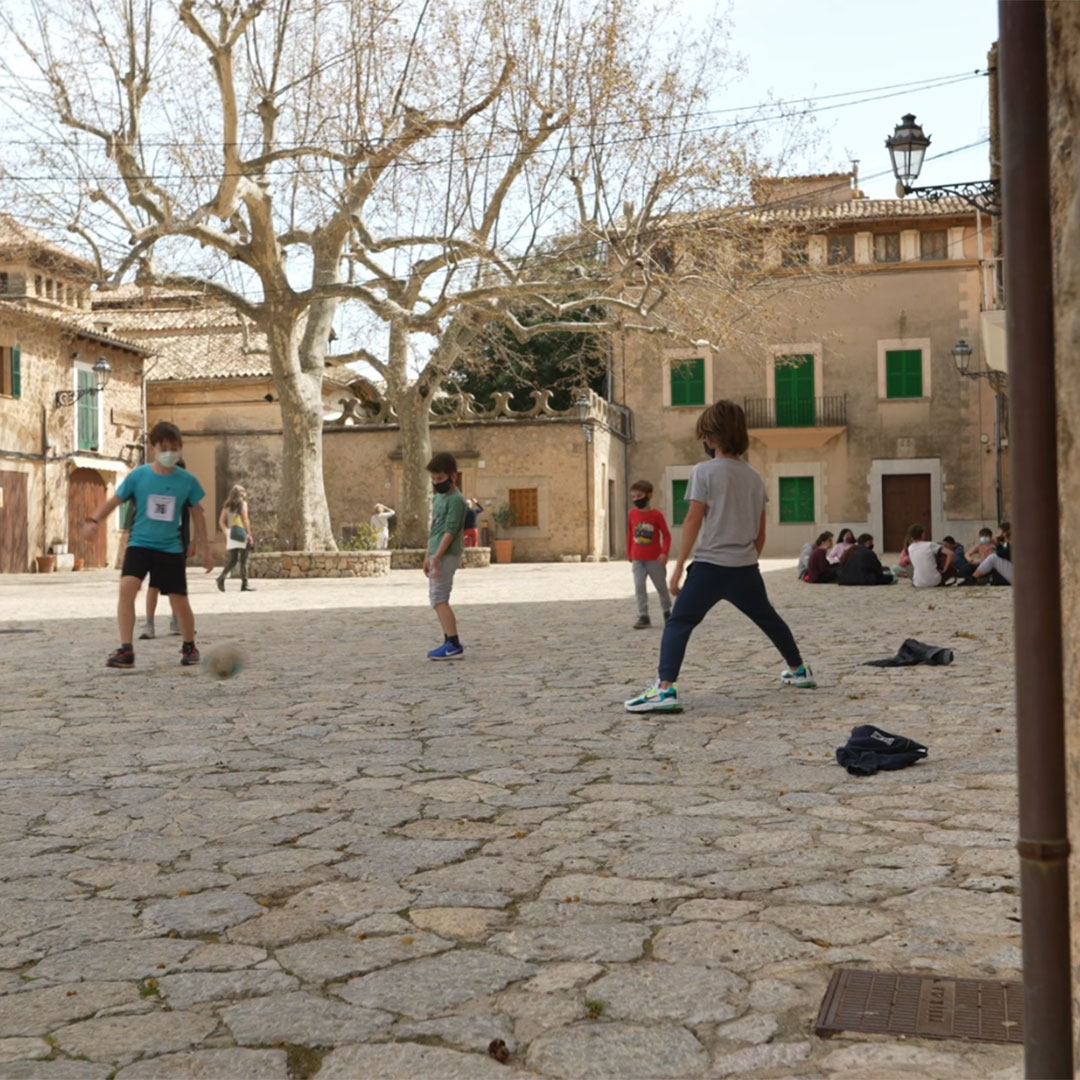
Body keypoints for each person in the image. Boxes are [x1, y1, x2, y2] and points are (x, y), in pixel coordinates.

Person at [624, 399, 815, 713]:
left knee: (679, 622)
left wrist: (678, 567)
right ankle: (799, 670)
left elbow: (693, 520)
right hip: (746, 568)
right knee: (769, 619)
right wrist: (748, 560)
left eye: (705, 436)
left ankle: (664, 690)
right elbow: (760, 531)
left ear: (710, 437)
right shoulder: (754, 477)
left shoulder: (704, 472)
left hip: (710, 567)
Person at [81, 421, 213, 668]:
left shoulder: (187, 481)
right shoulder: (139, 476)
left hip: (170, 548)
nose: (169, 452)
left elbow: (198, 514)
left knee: (179, 600)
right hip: (140, 544)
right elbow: (115, 501)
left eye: (175, 447)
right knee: (126, 590)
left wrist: (204, 549)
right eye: (164, 447)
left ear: (180, 448)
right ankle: (126, 650)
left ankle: (189, 646)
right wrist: (94, 520)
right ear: (153, 448)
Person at [139, 455, 191, 639]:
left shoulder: (185, 495)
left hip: (176, 546)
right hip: (156, 544)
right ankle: (149, 624)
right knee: (154, 586)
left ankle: (175, 622)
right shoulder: (156, 492)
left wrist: (188, 544)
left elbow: (186, 522)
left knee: (175, 588)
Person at [424, 451, 468, 660]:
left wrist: (438, 556)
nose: (436, 482)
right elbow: (435, 529)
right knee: (436, 597)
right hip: (437, 552)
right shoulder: (439, 498)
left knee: (439, 598)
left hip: (447, 554)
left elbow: (450, 531)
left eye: (440, 478)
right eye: (433, 478)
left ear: (453, 476)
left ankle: (453, 643)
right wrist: (429, 554)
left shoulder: (457, 500)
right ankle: (447, 639)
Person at [626, 480, 672, 629]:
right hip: (637, 559)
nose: (636, 500)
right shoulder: (632, 514)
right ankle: (643, 615)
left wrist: (664, 553)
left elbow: (666, 535)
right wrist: (629, 553)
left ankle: (667, 611)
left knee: (661, 587)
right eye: (633, 497)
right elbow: (629, 534)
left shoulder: (656, 515)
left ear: (649, 495)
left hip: (655, 559)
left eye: (639, 496)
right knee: (639, 586)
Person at [217, 485, 255, 592]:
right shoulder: (243, 504)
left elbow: (221, 521)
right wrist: (249, 535)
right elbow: (245, 520)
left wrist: (226, 533)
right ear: (241, 493)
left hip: (231, 534)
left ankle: (221, 577)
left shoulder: (226, 506)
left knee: (233, 560)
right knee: (244, 560)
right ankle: (245, 584)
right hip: (241, 533)